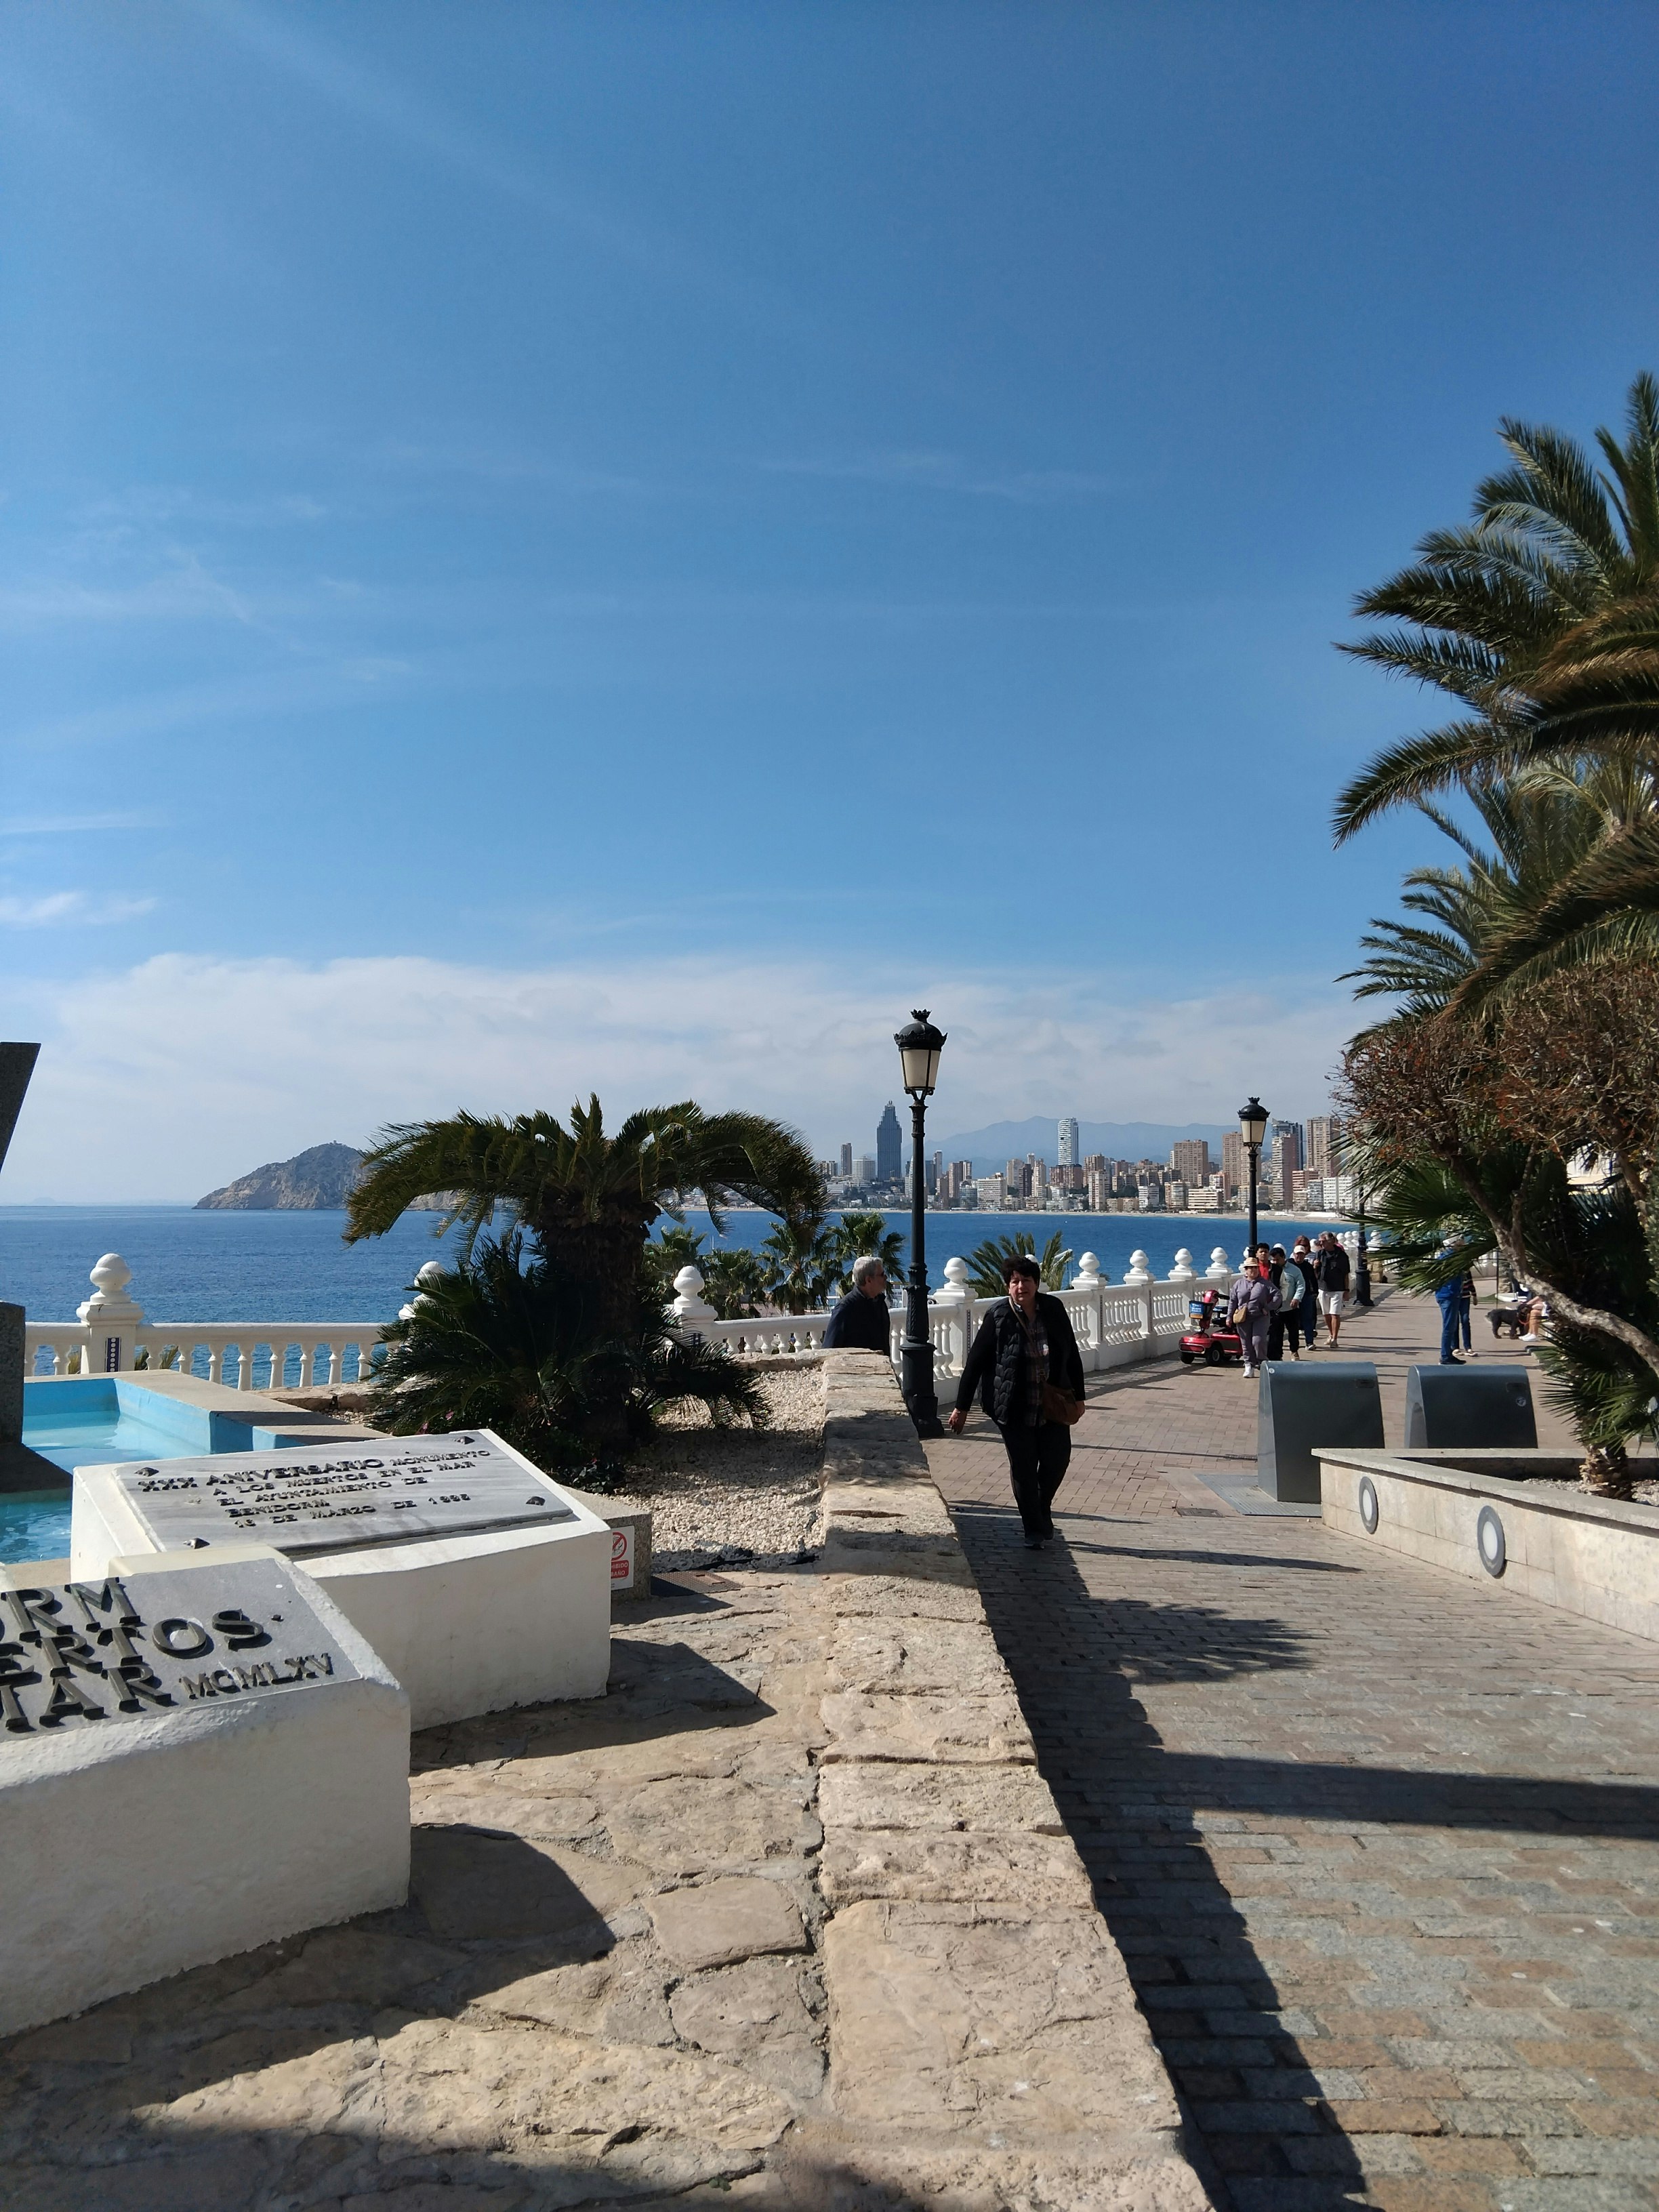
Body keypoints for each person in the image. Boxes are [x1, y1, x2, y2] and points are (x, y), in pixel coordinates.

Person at [946, 1253, 1085, 1549]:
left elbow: (1071, 1353)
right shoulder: (998, 1316)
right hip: (1012, 1406)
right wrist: (961, 1407)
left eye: (1026, 1280)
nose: (1021, 1286)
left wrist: (1080, 1397)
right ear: (1008, 1286)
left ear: (1036, 1283)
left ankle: (1041, 1507)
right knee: (1023, 1468)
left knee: (1056, 1461)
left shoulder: (1054, 1309)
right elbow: (975, 1363)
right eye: (1015, 1281)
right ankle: (1033, 1528)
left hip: (1053, 1405)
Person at [822, 1254, 893, 1351]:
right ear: (869, 1280)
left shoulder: (880, 1303)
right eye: (882, 1275)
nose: (886, 1277)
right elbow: (829, 1349)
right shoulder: (845, 1309)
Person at [1229, 1250, 1276, 1378]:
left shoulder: (1265, 1283)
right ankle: (1249, 1365)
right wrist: (1229, 1317)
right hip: (1243, 1317)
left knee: (1258, 1340)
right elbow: (1233, 1301)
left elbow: (1277, 1295)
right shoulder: (1239, 1284)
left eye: (1255, 1268)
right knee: (1246, 1343)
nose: (1253, 1270)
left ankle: (1261, 1362)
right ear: (1246, 1270)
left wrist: (1269, 1307)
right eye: (1250, 1268)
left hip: (1260, 1317)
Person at [1267, 1243, 1306, 1361]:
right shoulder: (1271, 1271)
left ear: (1284, 1258)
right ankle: (1278, 1355)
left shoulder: (1294, 1270)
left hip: (1290, 1307)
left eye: (1277, 1260)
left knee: (1293, 1331)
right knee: (1277, 1333)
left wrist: (1296, 1298)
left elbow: (1301, 1285)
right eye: (1273, 1260)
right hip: (1276, 1308)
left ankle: (1294, 1351)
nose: (1275, 1262)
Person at [1317, 1233, 1351, 1347]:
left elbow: (1346, 1274)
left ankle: (1335, 1339)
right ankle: (1331, 1334)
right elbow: (1316, 1273)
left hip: (1337, 1289)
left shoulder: (1341, 1256)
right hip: (1323, 1288)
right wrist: (1315, 1266)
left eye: (1323, 1241)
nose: (1321, 1243)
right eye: (1320, 1241)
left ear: (1331, 1241)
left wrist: (1347, 1290)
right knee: (1326, 1314)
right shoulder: (1320, 1254)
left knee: (1335, 1314)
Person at [1292, 1235, 1319, 1353]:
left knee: (1307, 1319)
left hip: (1306, 1296)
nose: (1299, 1256)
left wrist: (1315, 1293)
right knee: (1292, 1321)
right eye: (1297, 1254)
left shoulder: (1308, 1266)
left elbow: (1313, 1280)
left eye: (1302, 1254)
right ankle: (1294, 1344)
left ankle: (1309, 1342)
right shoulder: (1288, 1265)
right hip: (1291, 1297)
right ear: (1294, 1254)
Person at [1434, 1265, 1467, 1365]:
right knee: (1449, 1327)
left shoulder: (1443, 1258)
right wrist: (1455, 1292)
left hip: (1444, 1294)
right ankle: (1445, 1356)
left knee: (1450, 1326)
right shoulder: (1452, 1260)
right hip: (1449, 1295)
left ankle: (1448, 1354)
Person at [1458, 1267, 1478, 1355]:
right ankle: (1455, 1347)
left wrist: (1474, 1295)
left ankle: (1468, 1347)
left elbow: (1470, 1283)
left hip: (1465, 1297)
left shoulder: (1466, 1270)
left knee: (1465, 1320)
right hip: (1455, 1297)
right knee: (1454, 1322)